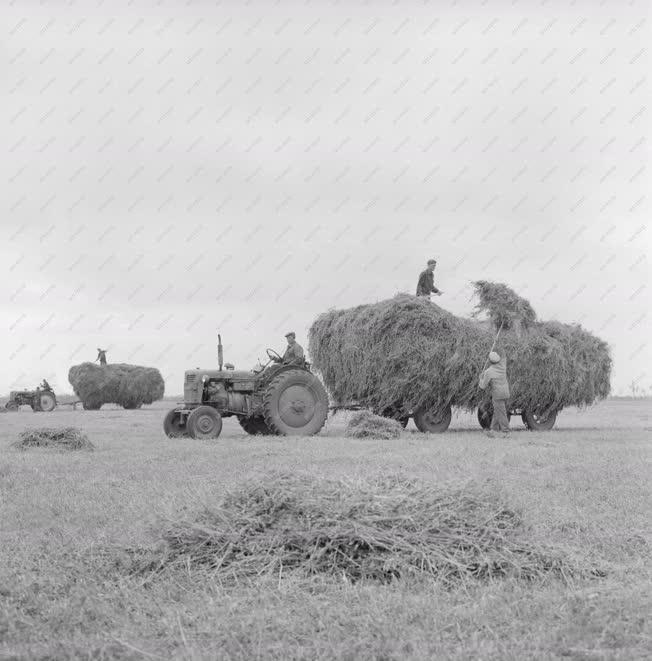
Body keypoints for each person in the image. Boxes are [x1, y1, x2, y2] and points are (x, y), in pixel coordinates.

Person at [478, 350, 511, 437]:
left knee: (501, 412)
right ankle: (493, 430)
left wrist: (480, 379)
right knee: (497, 411)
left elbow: (482, 386)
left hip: (498, 395)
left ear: (489, 361)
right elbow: (504, 356)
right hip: (506, 393)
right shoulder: (502, 366)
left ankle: (505, 431)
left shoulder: (488, 372)